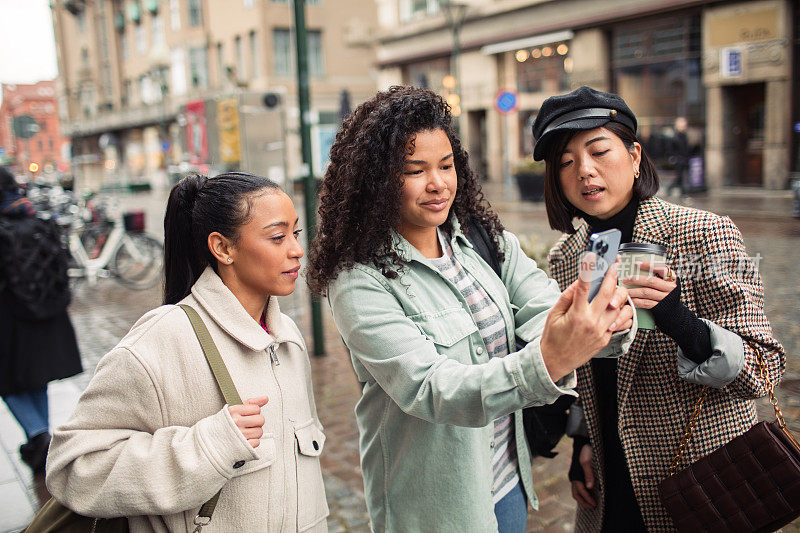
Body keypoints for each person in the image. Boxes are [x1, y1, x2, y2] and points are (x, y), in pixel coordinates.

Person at [306, 86, 636, 532]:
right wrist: (551, 358)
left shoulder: (479, 238)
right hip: (438, 507)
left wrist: (606, 321)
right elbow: (429, 388)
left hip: (508, 483)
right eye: (414, 170)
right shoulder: (359, 279)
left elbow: (541, 306)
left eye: (445, 166)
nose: (438, 183)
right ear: (376, 181)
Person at [532, 86, 786, 532]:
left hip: (697, 480)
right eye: (566, 162)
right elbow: (588, 372)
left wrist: (679, 320)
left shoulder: (703, 233)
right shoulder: (568, 256)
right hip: (607, 486)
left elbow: (764, 370)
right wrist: (582, 443)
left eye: (598, 150)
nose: (585, 171)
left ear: (633, 155)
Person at [46, 172, 329, 531]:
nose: (296, 249)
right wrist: (207, 446)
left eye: (296, 233)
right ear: (223, 248)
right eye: (277, 236)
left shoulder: (287, 336)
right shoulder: (161, 340)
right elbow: (72, 469)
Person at [0, 166, 82, 473]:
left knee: (9, 383)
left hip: (10, 319)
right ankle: (40, 438)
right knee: (36, 379)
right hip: (46, 314)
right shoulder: (40, 222)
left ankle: (38, 435)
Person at [668, 116, 690, 196]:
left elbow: (686, 148)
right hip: (678, 159)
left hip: (683, 159)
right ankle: (683, 192)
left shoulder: (684, 136)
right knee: (680, 176)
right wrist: (674, 158)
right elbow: (671, 149)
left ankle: (671, 189)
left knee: (680, 176)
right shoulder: (675, 136)